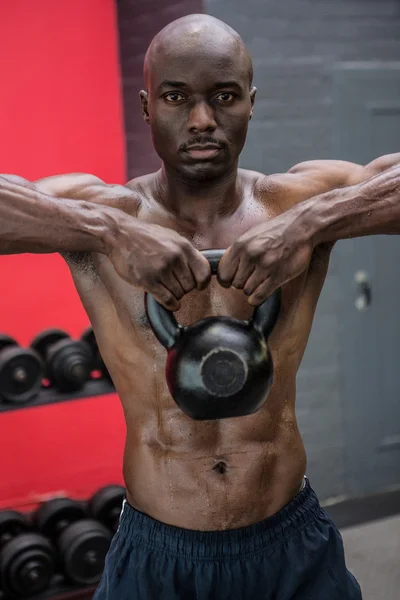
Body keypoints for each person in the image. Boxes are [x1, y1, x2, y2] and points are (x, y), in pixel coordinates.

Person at [1, 13, 399, 600]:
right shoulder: (106, 214)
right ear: (146, 106)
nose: (202, 120)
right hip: (159, 551)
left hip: (290, 540)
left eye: (224, 97)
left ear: (251, 103)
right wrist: (108, 231)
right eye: (176, 97)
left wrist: (312, 224)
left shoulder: (295, 203)